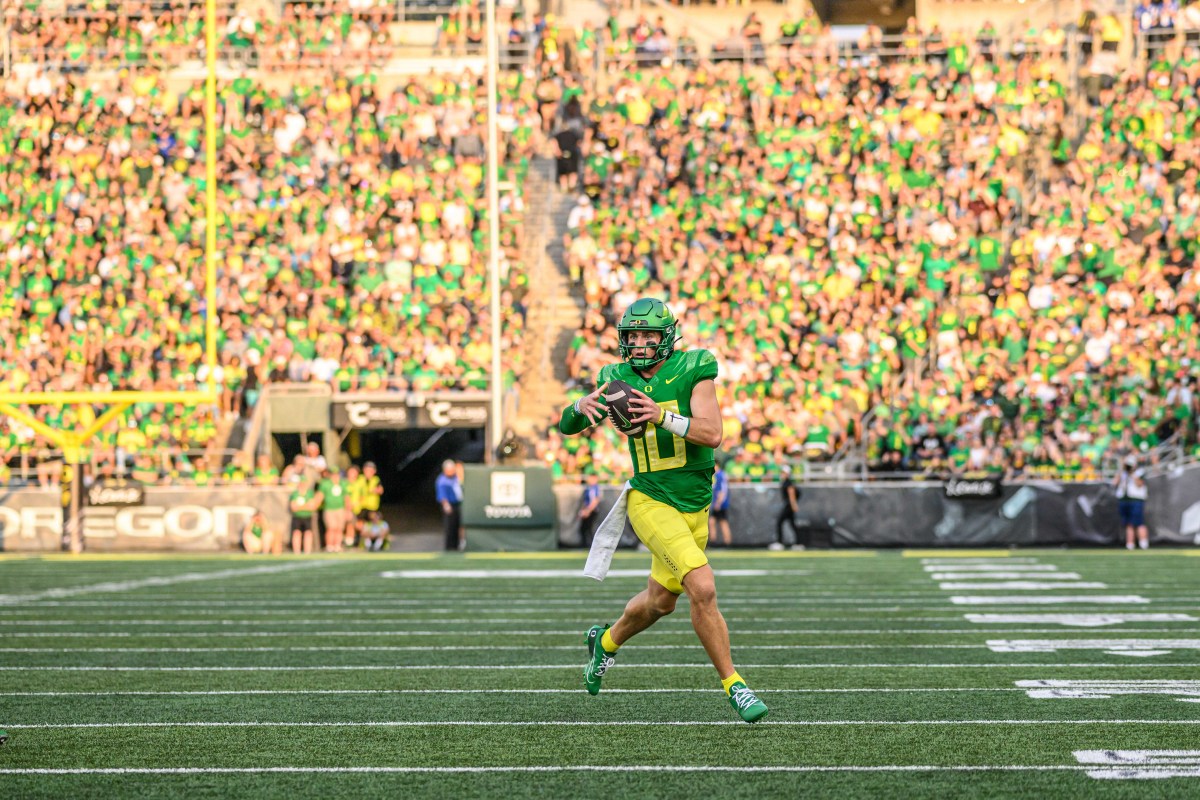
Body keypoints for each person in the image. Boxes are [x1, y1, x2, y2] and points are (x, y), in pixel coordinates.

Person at [559, 297, 768, 724]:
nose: (638, 344)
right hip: (651, 498)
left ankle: (606, 643)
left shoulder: (695, 366)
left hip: (695, 503)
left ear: (667, 337)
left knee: (660, 602)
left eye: (648, 335)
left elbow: (712, 434)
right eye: (632, 336)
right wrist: (578, 409)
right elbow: (568, 425)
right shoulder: (614, 376)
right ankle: (736, 686)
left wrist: (661, 415)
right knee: (703, 588)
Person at [1114, 455, 1150, 550]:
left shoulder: (1139, 472)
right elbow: (1115, 483)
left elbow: (1139, 484)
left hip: (1136, 499)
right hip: (1124, 499)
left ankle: (1143, 543)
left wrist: (1132, 473)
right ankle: (1130, 544)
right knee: (1128, 524)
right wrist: (1122, 470)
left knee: (1139, 522)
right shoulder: (1122, 473)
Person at [772, 463, 803, 551]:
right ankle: (798, 542)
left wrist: (793, 505)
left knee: (780, 522)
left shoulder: (788, 483)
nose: (782, 474)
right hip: (789, 505)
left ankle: (780, 542)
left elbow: (791, 494)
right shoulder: (786, 482)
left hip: (788, 506)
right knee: (792, 524)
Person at [288, 479, 323, 554]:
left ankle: (307, 551)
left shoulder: (310, 493)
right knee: (297, 533)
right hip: (297, 516)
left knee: (308, 533)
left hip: (307, 516)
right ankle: (296, 551)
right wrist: (306, 506)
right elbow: (293, 507)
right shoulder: (295, 493)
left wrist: (300, 507)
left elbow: (313, 506)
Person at [436, 459, 464, 551]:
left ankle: (456, 545)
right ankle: (449, 547)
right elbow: (442, 495)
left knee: (457, 525)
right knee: (449, 526)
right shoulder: (442, 480)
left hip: (457, 504)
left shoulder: (455, 477)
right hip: (449, 505)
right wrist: (446, 505)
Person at [318, 469, 349, 553]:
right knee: (331, 528)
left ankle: (337, 545)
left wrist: (347, 510)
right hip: (329, 509)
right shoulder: (325, 484)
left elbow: (346, 497)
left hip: (340, 508)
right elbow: (319, 496)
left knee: (339, 528)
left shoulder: (343, 483)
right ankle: (329, 545)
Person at [709, 461, 732, 547]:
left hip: (720, 503)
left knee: (722, 522)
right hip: (718, 502)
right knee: (713, 522)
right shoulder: (717, 475)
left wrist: (718, 502)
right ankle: (715, 541)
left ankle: (726, 542)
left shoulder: (720, 475)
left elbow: (723, 490)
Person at [578, 470, 602, 548]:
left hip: (591, 511)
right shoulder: (590, 488)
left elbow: (595, 500)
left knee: (589, 529)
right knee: (585, 529)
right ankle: (586, 546)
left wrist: (588, 511)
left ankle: (590, 546)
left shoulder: (594, 488)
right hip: (588, 510)